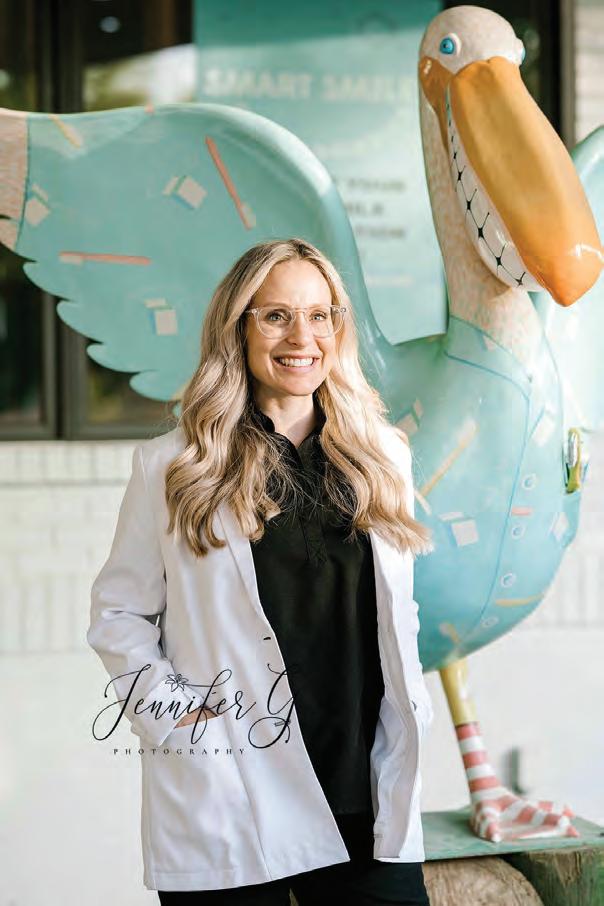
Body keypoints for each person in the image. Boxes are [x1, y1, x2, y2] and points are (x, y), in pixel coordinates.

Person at [88, 237, 434, 904]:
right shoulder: (175, 466)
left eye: (319, 315)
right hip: (233, 794)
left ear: (338, 328)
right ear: (238, 328)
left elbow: (398, 612)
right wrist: (175, 717)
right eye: (276, 316)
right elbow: (119, 613)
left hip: (364, 792)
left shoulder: (384, 456)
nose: (301, 336)